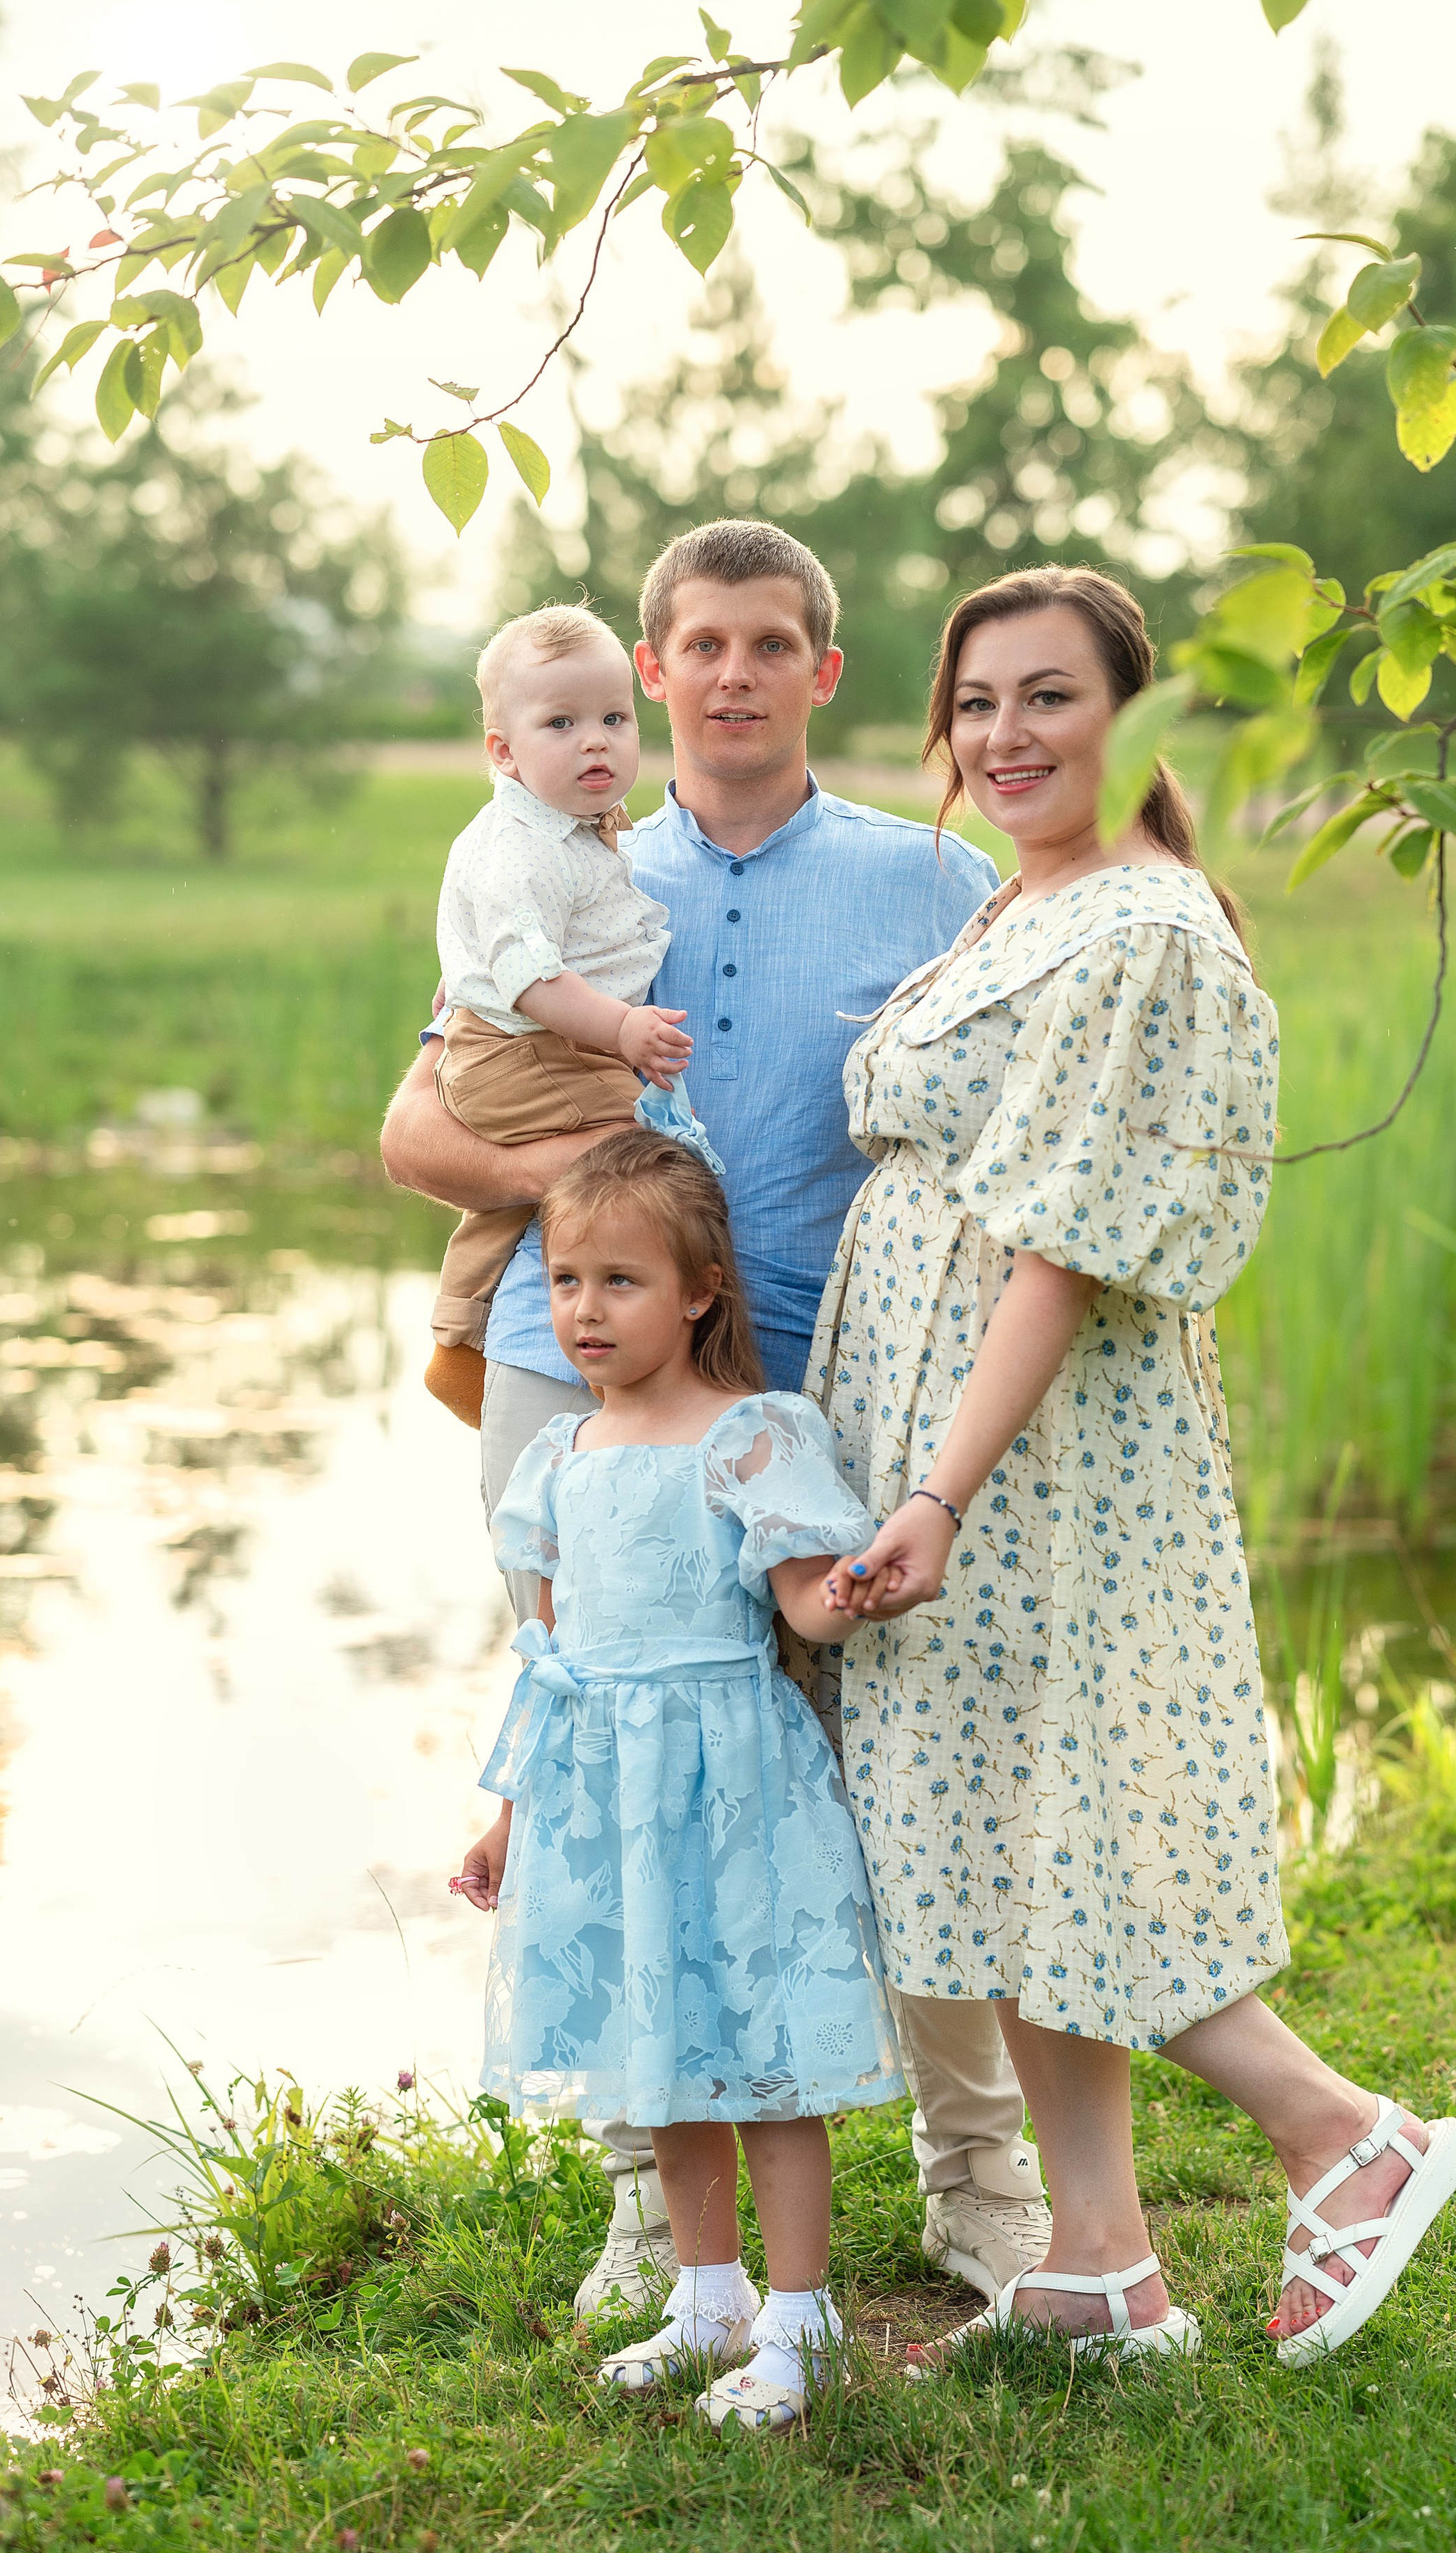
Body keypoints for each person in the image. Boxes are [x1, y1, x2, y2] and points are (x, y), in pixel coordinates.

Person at [382, 521, 1054, 2321]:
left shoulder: (931, 876)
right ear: (655, 674)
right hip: (576, 1362)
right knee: (603, 1758)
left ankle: (976, 2171)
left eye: (775, 645)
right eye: (705, 647)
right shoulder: (566, 862)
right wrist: (592, 1204)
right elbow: (414, 1133)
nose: (735, 675)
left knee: (892, 1773)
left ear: (823, 675)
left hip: (831, 1376)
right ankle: (646, 2194)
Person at [815, 564, 1456, 2371]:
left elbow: (1063, 1250)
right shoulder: (1026, 910)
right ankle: (1101, 2268)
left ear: (1134, 716)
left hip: (1046, 1459)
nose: (1005, 734)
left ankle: (1343, 2134)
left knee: (1090, 1834)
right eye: (976, 703)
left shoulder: (1150, 928)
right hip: (960, 1438)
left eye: (1050, 697)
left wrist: (939, 1493)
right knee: (1021, 1842)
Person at [450, 1113, 899, 2433]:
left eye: (621, 1281)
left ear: (699, 1292)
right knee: (666, 2055)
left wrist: (852, 1589)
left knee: (758, 2053)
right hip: (603, 1787)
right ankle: (710, 2298)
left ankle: (806, 2324)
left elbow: (804, 1609)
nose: (586, 1311)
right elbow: (549, 1654)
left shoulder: (750, 1434)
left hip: (727, 1782)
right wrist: (508, 1817)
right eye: (565, 1281)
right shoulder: (555, 1459)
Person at [423, 604, 689, 1426]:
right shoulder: (521, 846)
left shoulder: (572, 829)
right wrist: (621, 1030)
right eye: (562, 723)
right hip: (528, 1046)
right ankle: (623, 1357)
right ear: (504, 752)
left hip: (525, 1043)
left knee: (511, 1197)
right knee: (642, 1154)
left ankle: (456, 1340)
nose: (596, 741)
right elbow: (535, 981)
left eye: (614, 718)